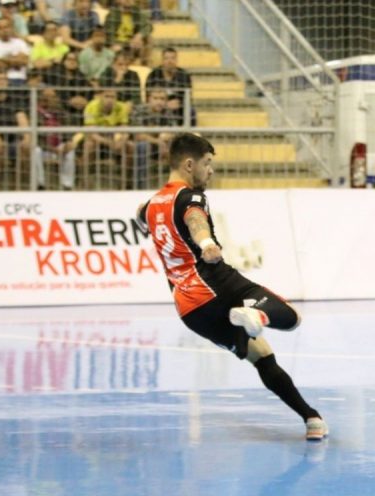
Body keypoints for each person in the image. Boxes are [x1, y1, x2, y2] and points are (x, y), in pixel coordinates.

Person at [136, 133, 328, 441]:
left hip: (191, 311)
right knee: (291, 318)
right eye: (207, 163)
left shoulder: (149, 206)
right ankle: (257, 315)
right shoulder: (191, 196)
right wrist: (206, 241)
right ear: (189, 165)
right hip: (217, 285)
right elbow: (195, 218)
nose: (210, 171)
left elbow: (141, 215)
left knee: (261, 356)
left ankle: (312, 420)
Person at [0, 17, 30, 84]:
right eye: (1, 28)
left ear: (11, 28)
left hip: (19, 79)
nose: (4, 30)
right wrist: (14, 59)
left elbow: (24, 61)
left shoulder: (20, 43)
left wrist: (2, 59)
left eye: (6, 27)